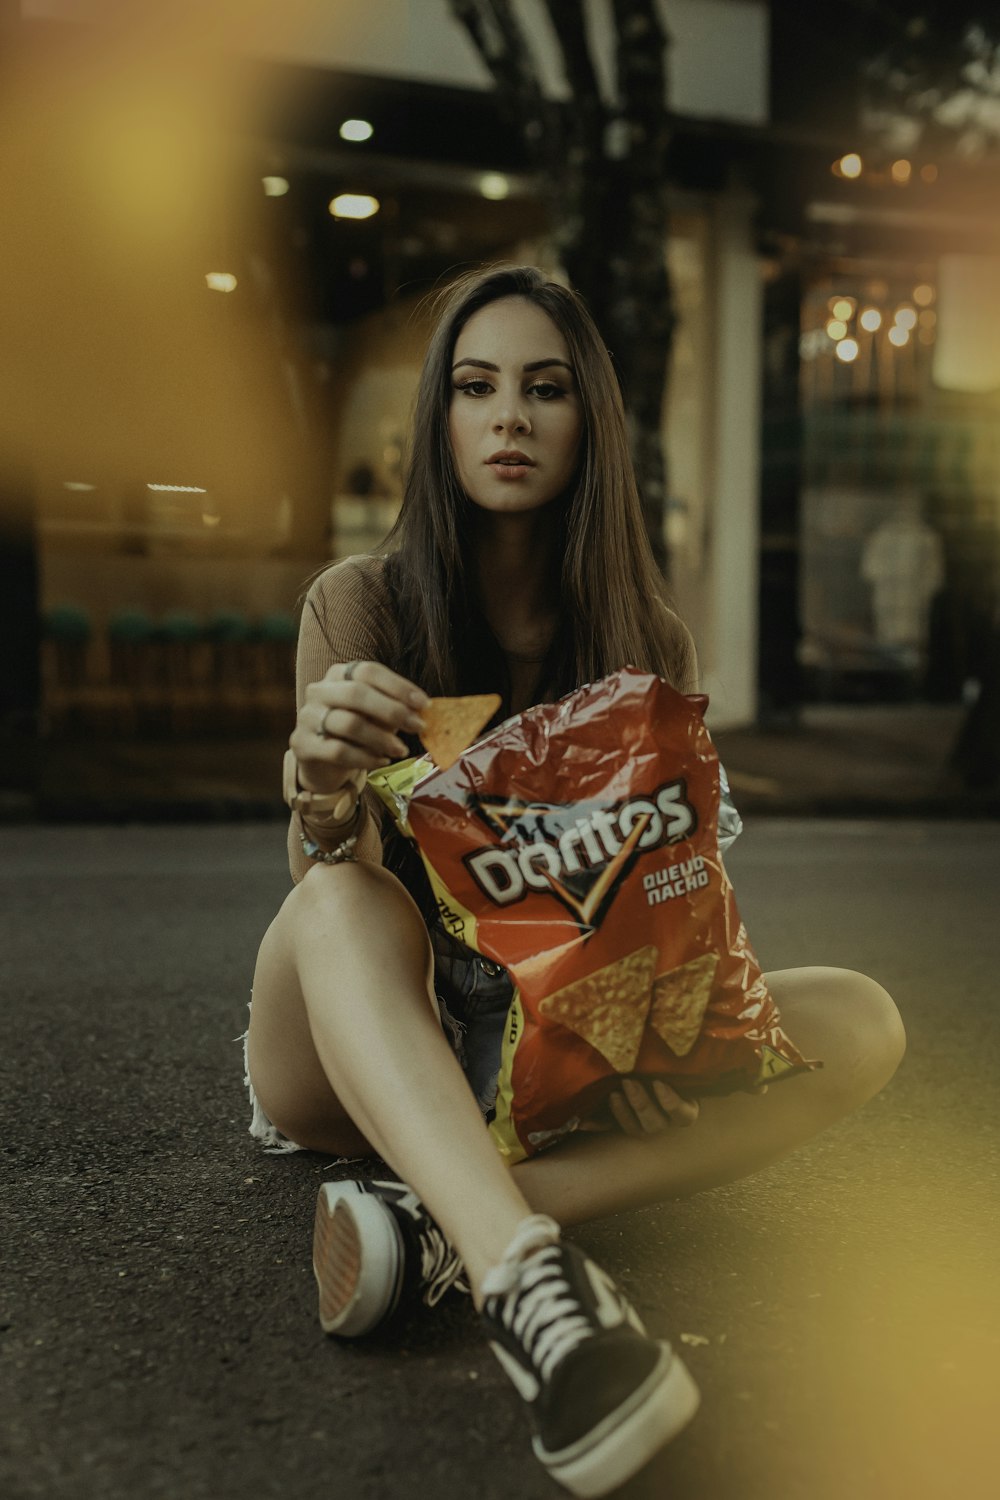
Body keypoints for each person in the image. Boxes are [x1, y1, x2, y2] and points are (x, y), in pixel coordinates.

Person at [245, 265, 905, 1497]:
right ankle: (528, 1286)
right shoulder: (361, 605)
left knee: (858, 1021)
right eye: (476, 386)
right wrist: (319, 788)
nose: (508, 417)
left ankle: (434, 1225)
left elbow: (673, 894)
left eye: (544, 389)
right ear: (438, 420)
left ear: (588, 419)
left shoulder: (644, 640)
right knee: (338, 899)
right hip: (358, 1045)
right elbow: (327, 883)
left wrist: (663, 1037)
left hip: (550, 1057)